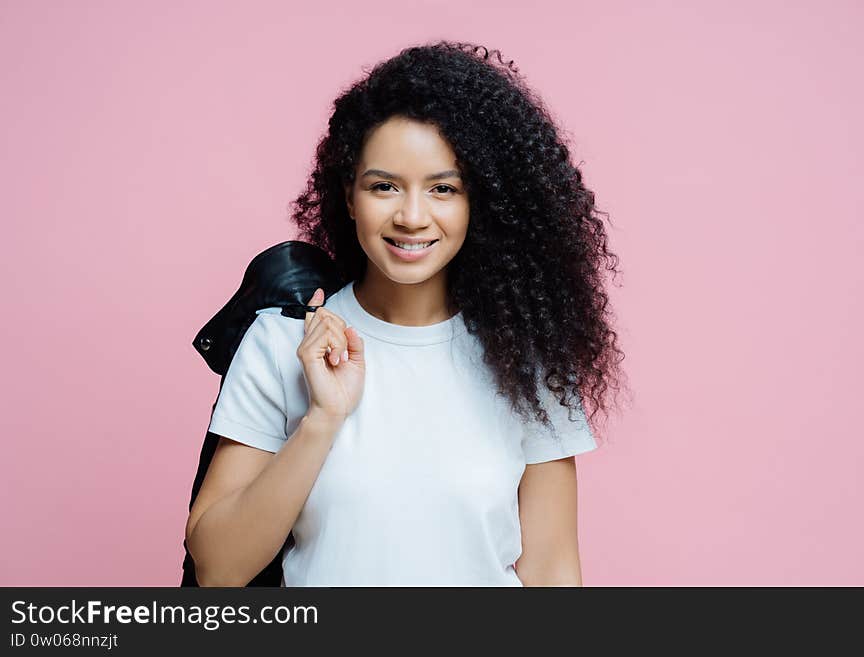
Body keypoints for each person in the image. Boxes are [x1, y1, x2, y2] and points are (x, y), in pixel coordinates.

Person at [185, 41, 625, 587]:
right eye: (384, 186)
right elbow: (218, 569)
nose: (412, 216)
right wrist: (321, 420)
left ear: (478, 202)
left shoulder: (526, 360)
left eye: (444, 189)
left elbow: (553, 570)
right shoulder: (281, 344)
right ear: (349, 197)